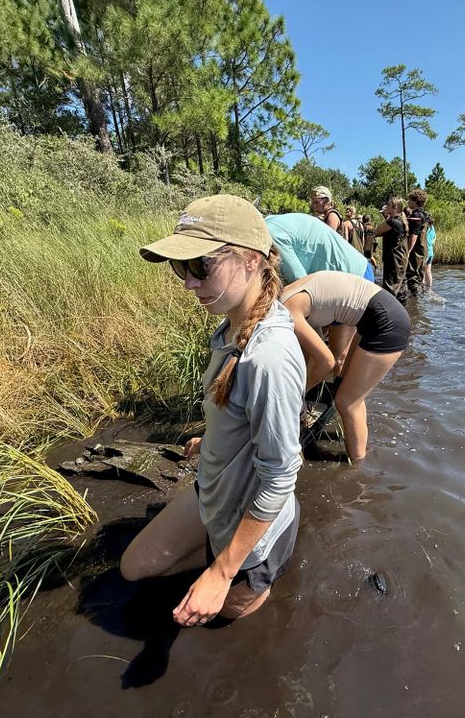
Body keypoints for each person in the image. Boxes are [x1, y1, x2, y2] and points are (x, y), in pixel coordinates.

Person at [122, 194, 305, 627]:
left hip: (253, 514)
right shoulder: (230, 327)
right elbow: (239, 415)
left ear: (250, 260)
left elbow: (280, 473)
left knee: (222, 617)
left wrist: (222, 572)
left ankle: (260, 566)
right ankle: (218, 554)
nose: (188, 282)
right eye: (180, 267)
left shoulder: (270, 356)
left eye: (200, 266)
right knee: (134, 568)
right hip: (215, 489)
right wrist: (213, 440)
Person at [281, 271, 410, 461]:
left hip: (387, 322)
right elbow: (310, 353)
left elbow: (326, 361)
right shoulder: (287, 295)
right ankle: (362, 446)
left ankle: (358, 471)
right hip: (378, 314)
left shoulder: (287, 311)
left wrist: (297, 396)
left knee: (347, 403)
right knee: (348, 392)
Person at [264, 213, 374, 285]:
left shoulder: (271, 234)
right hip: (360, 268)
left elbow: (299, 283)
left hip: (355, 279)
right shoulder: (272, 221)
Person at [376, 197, 410, 304]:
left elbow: (377, 231)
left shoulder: (393, 222)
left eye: (388, 205)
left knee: (390, 288)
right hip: (400, 259)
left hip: (394, 260)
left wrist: (387, 217)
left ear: (395, 207)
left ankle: (390, 316)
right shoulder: (400, 221)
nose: (386, 206)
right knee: (401, 289)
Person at [405, 189, 429, 298]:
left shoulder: (418, 214)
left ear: (415, 200)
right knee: (418, 275)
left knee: (413, 277)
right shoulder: (422, 213)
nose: (408, 202)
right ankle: (419, 303)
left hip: (416, 251)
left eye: (409, 200)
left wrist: (408, 251)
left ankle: (415, 306)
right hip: (421, 250)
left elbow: (414, 235)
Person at [423, 220, 437, 290]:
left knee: (422, 270)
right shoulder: (432, 228)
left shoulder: (425, 228)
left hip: (425, 252)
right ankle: (429, 287)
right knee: (428, 270)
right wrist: (431, 243)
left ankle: (422, 286)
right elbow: (434, 238)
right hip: (431, 251)